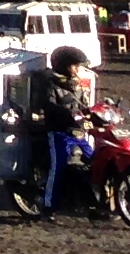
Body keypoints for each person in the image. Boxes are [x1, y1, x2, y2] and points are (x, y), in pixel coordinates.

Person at [35, 51, 97, 213]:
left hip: (78, 132)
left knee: (94, 160)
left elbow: (84, 104)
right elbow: (48, 105)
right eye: (74, 65)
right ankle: (49, 206)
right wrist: (64, 113)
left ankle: (93, 203)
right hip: (59, 132)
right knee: (58, 167)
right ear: (65, 66)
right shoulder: (51, 84)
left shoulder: (76, 84)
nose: (77, 69)